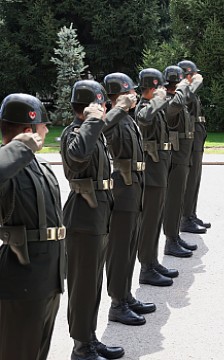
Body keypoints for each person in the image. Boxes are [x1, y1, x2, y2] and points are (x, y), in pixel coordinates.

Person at [61, 81, 125, 359]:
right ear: (86, 108)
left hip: (98, 212)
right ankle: (80, 345)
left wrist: (101, 118)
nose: (103, 109)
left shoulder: (92, 130)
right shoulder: (74, 133)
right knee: (83, 284)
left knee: (93, 282)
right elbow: (76, 155)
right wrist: (92, 120)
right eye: (99, 104)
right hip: (83, 215)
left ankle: (89, 337)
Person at [0, 94, 65, 360]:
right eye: (43, 125)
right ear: (28, 131)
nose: (47, 130)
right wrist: (19, 146)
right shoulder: (10, 166)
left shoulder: (37, 164)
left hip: (48, 276)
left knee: (38, 352)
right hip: (21, 278)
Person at [103, 72, 156, 326]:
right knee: (120, 249)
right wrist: (119, 106)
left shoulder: (127, 118)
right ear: (115, 97)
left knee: (130, 245)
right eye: (126, 94)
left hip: (134, 186)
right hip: (122, 189)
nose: (132, 96)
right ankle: (117, 303)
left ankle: (126, 295)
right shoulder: (110, 118)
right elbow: (101, 128)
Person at [135, 68, 181, 287]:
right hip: (151, 172)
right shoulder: (143, 107)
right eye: (159, 87)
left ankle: (152, 261)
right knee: (150, 221)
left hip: (160, 167)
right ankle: (146, 267)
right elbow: (144, 119)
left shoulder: (157, 106)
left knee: (156, 219)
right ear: (150, 88)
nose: (163, 90)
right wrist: (159, 100)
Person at [161, 65, 197, 257]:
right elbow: (173, 108)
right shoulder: (169, 100)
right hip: (175, 155)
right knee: (174, 199)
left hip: (182, 153)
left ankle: (174, 236)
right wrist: (183, 88)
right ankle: (170, 240)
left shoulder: (178, 99)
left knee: (179, 196)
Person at [178, 60, 210, 234]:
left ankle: (191, 214)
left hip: (196, 136)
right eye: (193, 75)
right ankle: (185, 218)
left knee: (195, 178)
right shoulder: (182, 90)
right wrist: (195, 83)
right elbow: (186, 98)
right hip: (189, 139)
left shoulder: (190, 90)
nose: (196, 77)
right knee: (189, 180)